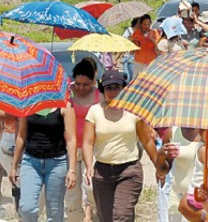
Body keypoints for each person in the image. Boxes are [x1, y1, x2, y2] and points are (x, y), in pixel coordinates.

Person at [82, 70, 158, 222]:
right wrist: (89, 165)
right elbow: (88, 142)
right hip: (102, 172)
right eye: (109, 88)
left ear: (124, 88)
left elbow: (147, 140)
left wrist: (159, 166)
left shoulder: (135, 110)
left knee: (121, 216)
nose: (113, 92)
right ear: (103, 90)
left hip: (129, 171)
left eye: (117, 87)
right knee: (106, 218)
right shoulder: (94, 111)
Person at [10, 103, 77, 222]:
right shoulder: (28, 106)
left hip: (57, 162)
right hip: (31, 162)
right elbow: (21, 136)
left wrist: (72, 170)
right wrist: (14, 165)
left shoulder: (65, 106)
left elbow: (71, 139)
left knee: (55, 210)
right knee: (27, 207)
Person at [65, 60, 103, 222]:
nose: (81, 88)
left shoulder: (99, 96)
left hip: (92, 148)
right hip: (70, 148)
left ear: (93, 82)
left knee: (91, 186)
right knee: (71, 192)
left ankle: (95, 212)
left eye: (86, 84)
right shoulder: (67, 94)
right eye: (78, 83)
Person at [154, 126, 202, 222]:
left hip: (200, 197)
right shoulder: (172, 133)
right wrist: (161, 156)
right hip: (177, 195)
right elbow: (163, 171)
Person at [130, 14, 159, 78]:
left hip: (151, 62)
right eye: (145, 24)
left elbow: (159, 48)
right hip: (139, 62)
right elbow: (131, 52)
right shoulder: (136, 33)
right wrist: (133, 42)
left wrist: (153, 40)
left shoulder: (154, 32)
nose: (147, 26)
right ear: (141, 24)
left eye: (148, 24)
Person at [121, 17, 140, 81]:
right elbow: (123, 41)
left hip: (134, 57)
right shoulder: (128, 30)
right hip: (127, 55)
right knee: (127, 77)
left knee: (132, 77)